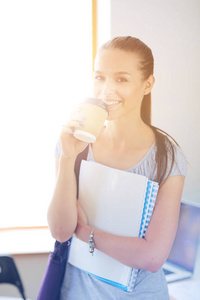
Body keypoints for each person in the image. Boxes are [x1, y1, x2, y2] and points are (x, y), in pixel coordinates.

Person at [47, 36, 187, 299]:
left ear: (148, 84)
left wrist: (86, 232)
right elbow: (60, 230)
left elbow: (152, 257)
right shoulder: (74, 143)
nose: (106, 90)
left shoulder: (168, 157)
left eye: (121, 79)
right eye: (99, 77)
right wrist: (67, 158)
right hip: (77, 293)